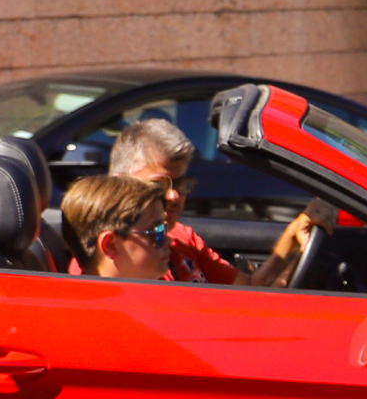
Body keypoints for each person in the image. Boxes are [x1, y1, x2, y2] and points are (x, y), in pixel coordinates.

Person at [107, 117, 324, 285]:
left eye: (180, 183)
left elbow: (249, 290)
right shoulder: (112, 255)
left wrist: (294, 236)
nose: (173, 195)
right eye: (158, 185)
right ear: (119, 185)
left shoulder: (183, 238)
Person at [59, 174, 173, 280]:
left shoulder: (140, 298)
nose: (169, 240)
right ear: (110, 245)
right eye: (158, 232)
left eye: (164, 228)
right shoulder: (89, 302)